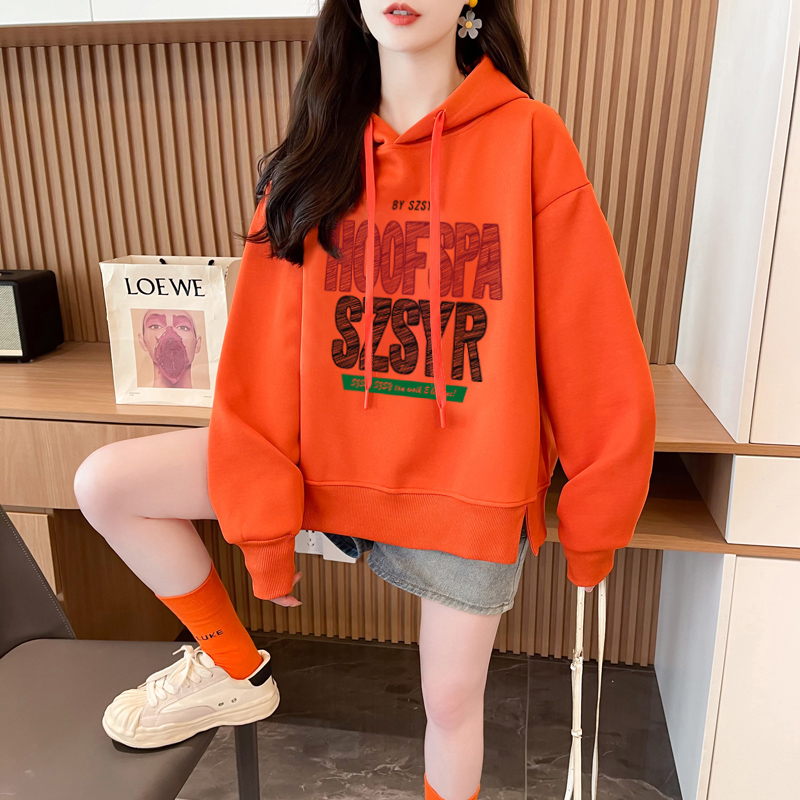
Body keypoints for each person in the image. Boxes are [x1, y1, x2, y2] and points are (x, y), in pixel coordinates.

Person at [73, 1, 656, 798]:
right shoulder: (317, 152)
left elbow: (587, 336)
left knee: (451, 704)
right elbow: (262, 355)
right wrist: (265, 528)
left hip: (465, 484)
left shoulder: (530, 137)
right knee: (106, 484)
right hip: (323, 464)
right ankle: (234, 670)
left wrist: (597, 512)